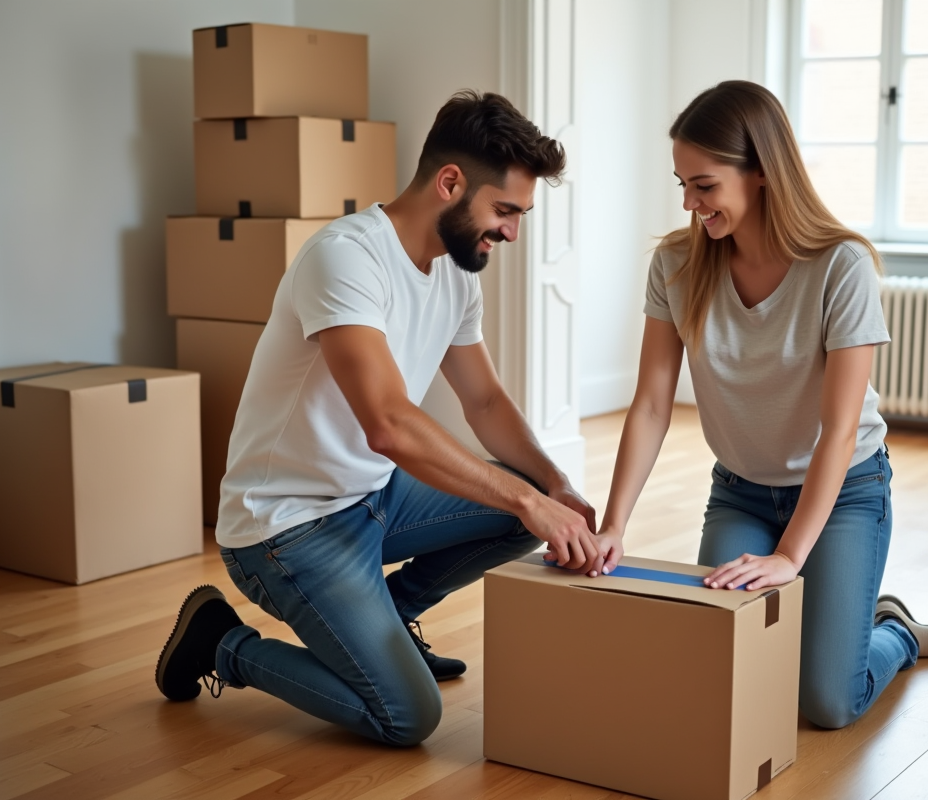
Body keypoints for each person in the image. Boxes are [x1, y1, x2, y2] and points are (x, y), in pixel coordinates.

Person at [156, 90, 600, 746]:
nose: (511, 231)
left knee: (524, 505)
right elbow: (387, 423)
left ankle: (388, 619)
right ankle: (220, 642)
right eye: (505, 210)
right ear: (451, 183)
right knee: (407, 717)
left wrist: (554, 488)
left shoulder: (456, 274)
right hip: (286, 528)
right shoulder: (346, 258)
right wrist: (529, 501)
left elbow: (485, 402)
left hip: (372, 496)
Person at [587, 81, 928, 730]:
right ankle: (840, 614)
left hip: (843, 491)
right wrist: (614, 525)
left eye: (703, 185)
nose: (688, 202)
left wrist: (789, 556)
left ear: (760, 172)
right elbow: (649, 404)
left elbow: (839, 432)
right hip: (741, 492)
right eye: (681, 183)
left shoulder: (842, 266)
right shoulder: (675, 263)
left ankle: (893, 631)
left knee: (825, 702)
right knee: (723, 671)